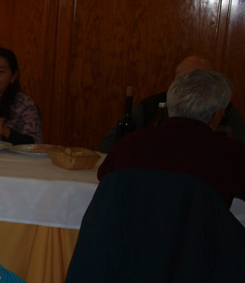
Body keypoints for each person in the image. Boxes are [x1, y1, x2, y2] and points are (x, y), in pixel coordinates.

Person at [98, 69, 245, 207]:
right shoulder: (231, 154)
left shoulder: (130, 144)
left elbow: (105, 179)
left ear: (170, 106)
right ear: (218, 115)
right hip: (199, 226)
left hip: (136, 225)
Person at [100, 55, 245, 152]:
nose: (193, 90)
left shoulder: (226, 111)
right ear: (173, 84)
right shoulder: (150, 106)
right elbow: (109, 145)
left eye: (203, 84)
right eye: (187, 82)